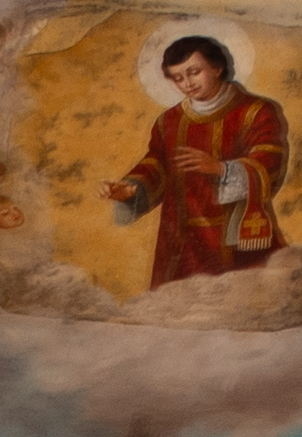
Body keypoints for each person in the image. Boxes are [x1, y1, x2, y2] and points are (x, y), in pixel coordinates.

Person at [106, 37, 289, 291]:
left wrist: (221, 169)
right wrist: (132, 188)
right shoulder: (169, 121)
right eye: (178, 78)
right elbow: (156, 164)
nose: (187, 83)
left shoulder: (256, 112)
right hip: (182, 241)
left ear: (217, 68)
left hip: (234, 238)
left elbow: (270, 161)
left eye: (194, 72)